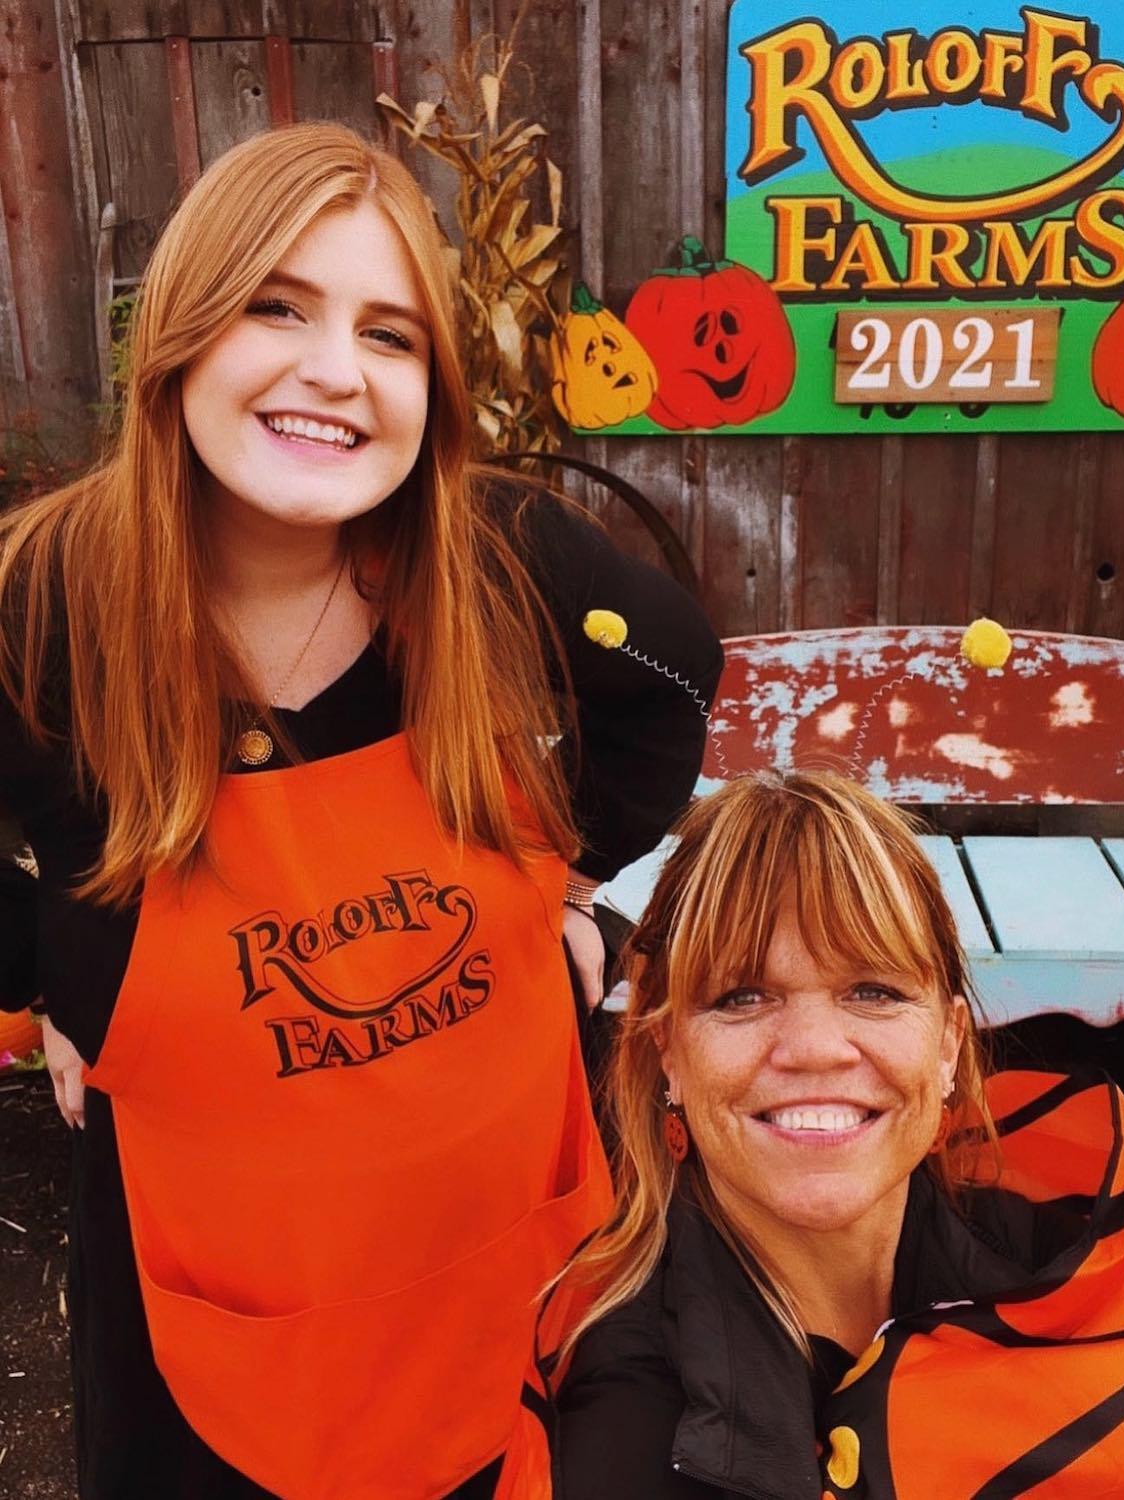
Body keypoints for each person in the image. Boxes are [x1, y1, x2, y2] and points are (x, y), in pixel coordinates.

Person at [0, 123, 723, 1500]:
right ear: (180, 332)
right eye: (278, 305)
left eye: (390, 335)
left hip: (492, 1236)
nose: (336, 369)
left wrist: (557, 872)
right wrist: (63, 977)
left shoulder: (490, 556)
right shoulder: (45, 609)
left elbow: (673, 672)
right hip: (216, 1302)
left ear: (432, 389)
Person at [554, 772, 1124, 1498]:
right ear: (667, 1050)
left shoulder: (1086, 1255)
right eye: (741, 997)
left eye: (874, 991)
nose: (815, 1048)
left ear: (950, 1043)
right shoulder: (633, 1433)